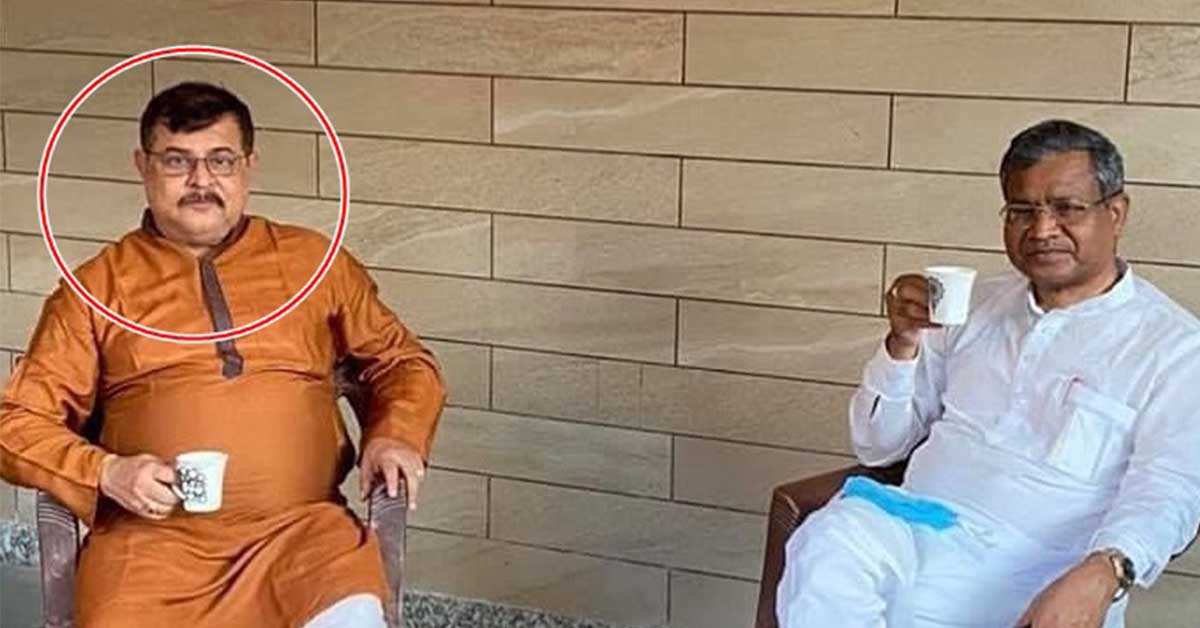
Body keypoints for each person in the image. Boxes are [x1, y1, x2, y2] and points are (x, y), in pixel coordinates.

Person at [0, 82, 446, 627]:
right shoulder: (95, 288)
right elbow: (15, 425)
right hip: (149, 551)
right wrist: (107, 472)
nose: (201, 180)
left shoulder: (313, 262)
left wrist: (396, 435)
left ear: (249, 167)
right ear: (142, 166)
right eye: (176, 161)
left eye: (220, 160)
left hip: (303, 539)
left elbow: (402, 363)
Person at [776, 119, 1200, 628]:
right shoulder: (972, 307)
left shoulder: (1173, 347)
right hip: (916, 530)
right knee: (828, 541)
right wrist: (903, 343)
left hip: (1037, 572)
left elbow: (1171, 488)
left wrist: (1106, 570)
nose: (1042, 230)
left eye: (1066, 208)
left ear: (1116, 213)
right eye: (1022, 211)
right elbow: (878, 447)